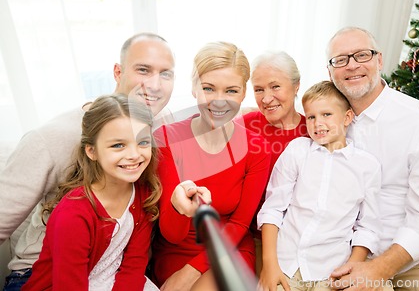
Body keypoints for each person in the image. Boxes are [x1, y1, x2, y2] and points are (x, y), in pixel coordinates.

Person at [0, 32, 176, 291]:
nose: (155, 85)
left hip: (115, 267)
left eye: (166, 74)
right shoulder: (51, 138)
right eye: (143, 70)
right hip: (45, 273)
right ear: (118, 72)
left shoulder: (161, 124)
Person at [326, 27, 419, 291]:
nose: (352, 66)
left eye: (362, 55)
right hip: (339, 255)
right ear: (330, 71)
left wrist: (378, 269)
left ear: (379, 60)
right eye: (340, 60)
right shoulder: (324, 119)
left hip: (409, 260)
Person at [151, 41, 271, 291]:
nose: (219, 102)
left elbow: (239, 224)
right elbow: (171, 234)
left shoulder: (257, 148)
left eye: (231, 91)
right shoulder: (166, 139)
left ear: (243, 92)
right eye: (208, 89)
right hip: (178, 250)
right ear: (194, 88)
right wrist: (179, 206)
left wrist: (190, 273)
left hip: (231, 247)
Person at [21, 94, 161, 291]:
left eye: (143, 142)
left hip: (113, 281)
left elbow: (134, 265)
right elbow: (69, 286)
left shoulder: (144, 192)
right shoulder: (73, 215)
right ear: (91, 151)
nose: (134, 154)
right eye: (118, 145)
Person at [257, 80, 381, 291]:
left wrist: (353, 266)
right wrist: (270, 265)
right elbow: (272, 210)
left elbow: (368, 226)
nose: (317, 123)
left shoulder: (367, 166)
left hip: (331, 270)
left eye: (327, 114)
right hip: (286, 264)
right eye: (311, 117)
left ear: (347, 117)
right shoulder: (297, 150)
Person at [242, 51, 309, 275]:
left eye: (275, 87)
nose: (266, 98)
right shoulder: (245, 125)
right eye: (259, 89)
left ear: (296, 85)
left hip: (298, 241)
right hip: (253, 237)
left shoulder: (314, 132)